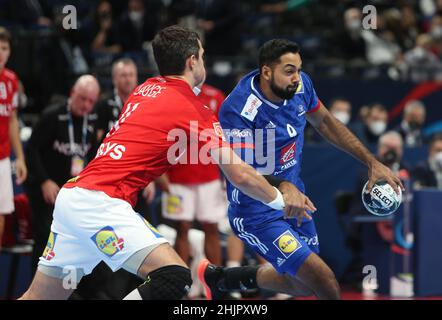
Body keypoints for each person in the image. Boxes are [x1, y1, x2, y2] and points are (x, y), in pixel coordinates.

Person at [19, 26, 310, 300]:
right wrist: (281, 202)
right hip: (101, 202)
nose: (204, 63)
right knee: (174, 276)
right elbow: (241, 175)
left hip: (74, 197)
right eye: (203, 57)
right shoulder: (192, 108)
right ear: (192, 61)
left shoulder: (145, 89)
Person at [198, 39, 403, 300]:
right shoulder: (239, 109)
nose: (297, 78)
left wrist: (372, 161)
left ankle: (223, 280)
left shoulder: (301, 86)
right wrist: (284, 186)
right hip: (255, 210)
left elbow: (326, 122)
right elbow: (242, 172)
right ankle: (225, 279)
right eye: (289, 71)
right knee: (324, 280)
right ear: (267, 72)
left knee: (305, 284)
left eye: (298, 69)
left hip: (296, 203)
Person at [25, 75, 100, 274]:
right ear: (72, 93)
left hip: (73, 194)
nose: (85, 105)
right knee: (45, 241)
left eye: (91, 101)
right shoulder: (52, 115)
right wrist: (44, 181)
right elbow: (31, 149)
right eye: (82, 98)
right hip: (48, 192)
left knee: (72, 245)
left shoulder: (92, 121)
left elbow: (92, 156)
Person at [0, 27, 27, 248]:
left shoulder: (11, 80)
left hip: (2, 157)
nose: (1, 52)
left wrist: (19, 157)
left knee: (2, 213)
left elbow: (11, 121)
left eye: (4, 48)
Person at [96, 58, 138, 143]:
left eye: (131, 75)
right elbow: (97, 138)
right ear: (114, 79)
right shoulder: (103, 104)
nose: (128, 80)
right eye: (124, 75)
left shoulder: (142, 103)